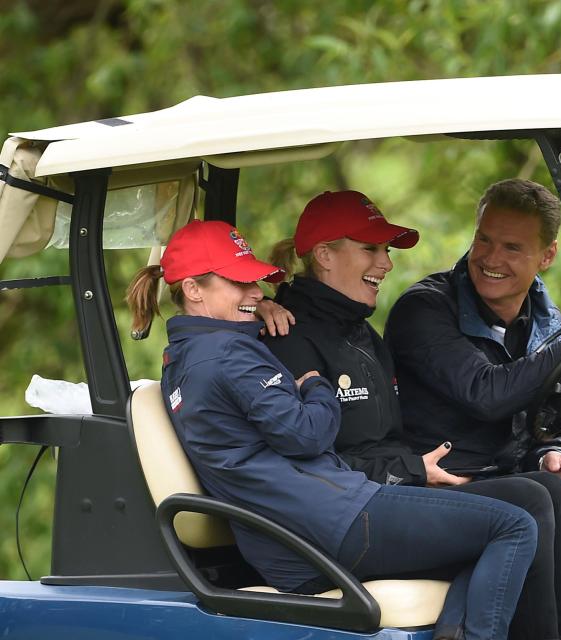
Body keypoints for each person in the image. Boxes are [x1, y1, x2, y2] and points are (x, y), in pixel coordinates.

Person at [125, 219, 538, 640]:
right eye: (240, 284)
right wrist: (315, 384)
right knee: (515, 526)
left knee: (484, 535)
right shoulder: (228, 355)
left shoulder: (185, 354)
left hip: (302, 532)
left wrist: (257, 311)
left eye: (257, 283)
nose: (256, 293)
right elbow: (306, 435)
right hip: (328, 525)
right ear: (194, 289)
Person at [261, 190, 561, 640]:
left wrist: (546, 448)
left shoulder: (360, 334)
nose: (386, 264)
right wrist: (410, 470)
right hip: (343, 517)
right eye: (370, 249)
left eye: (385, 250)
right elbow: (301, 458)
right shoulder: (286, 335)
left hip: (384, 496)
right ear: (325, 255)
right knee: (527, 503)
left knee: (550, 492)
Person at [383, 179, 561, 640]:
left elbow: (545, 415)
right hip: (445, 487)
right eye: (484, 240)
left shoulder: (545, 319)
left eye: (512, 248)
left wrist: (551, 452)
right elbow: (487, 393)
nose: (491, 260)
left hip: (514, 477)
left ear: (547, 256)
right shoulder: (425, 309)